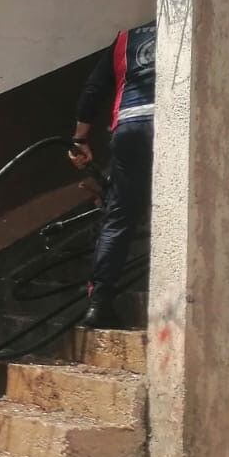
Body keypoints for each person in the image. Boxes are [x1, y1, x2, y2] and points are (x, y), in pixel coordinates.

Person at [71, 21, 156, 328]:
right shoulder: (189, 23)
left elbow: (94, 88)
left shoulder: (126, 39)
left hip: (129, 127)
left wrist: (79, 140)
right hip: (173, 120)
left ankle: (98, 303)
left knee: (119, 215)